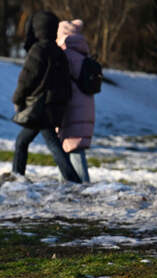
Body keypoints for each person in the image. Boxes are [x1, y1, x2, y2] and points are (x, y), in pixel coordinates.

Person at [11, 11, 82, 183]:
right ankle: (71, 178)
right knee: (43, 142)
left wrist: (17, 98)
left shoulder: (39, 49)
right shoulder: (58, 51)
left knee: (26, 142)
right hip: (53, 106)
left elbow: (27, 78)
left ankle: (17, 176)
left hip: (40, 107)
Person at [56, 19, 95, 183]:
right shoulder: (82, 53)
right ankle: (65, 184)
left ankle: (83, 186)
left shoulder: (66, 55)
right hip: (85, 106)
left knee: (72, 147)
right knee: (71, 147)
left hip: (71, 107)